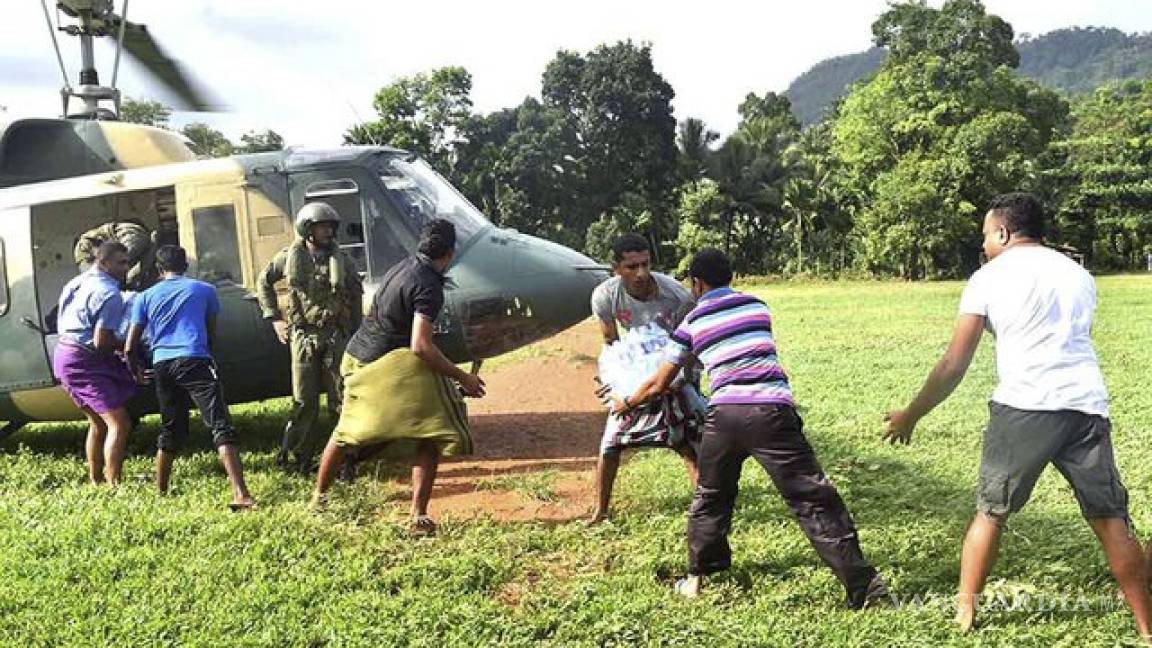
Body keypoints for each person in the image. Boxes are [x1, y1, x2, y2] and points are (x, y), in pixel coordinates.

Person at [884, 193, 1152, 639]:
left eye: (986, 235)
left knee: (990, 512)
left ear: (1004, 233)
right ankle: (1147, 626)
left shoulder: (988, 277)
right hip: (1086, 405)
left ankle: (965, 613)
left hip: (1024, 408)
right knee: (1110, 518)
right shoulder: (1078, 275)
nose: (984, 244)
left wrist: (911, 415)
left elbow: (955, 363)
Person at [618, 248, 886, 607]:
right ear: (731, 277)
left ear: (696, 283)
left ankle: (696, 581)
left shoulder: (691, 323)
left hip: (725, 416)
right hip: (773, 410)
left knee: (711, 497)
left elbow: (660, 384)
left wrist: (627, 402)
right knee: (813, 498)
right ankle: (866, 590)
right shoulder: (758, 306)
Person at [310, 219, 485, 536]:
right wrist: (464, 377)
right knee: (434, 430)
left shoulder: (402, 267)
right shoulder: (429, 285)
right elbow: (420, 346)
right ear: (449, 253)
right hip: (382, 365)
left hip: (356, 357)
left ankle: (317, 501)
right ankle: (417, 515)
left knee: (344, 432)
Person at [125, 245, 254, 510]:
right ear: (186, 266)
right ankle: (240, 494)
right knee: (219, 424)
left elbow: (129, 345)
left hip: (161, 364)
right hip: (195, 359)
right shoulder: (205, 290)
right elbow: (211, 332)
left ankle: (160, 492)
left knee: (171, 427)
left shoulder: (145, 297)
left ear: (159, 270)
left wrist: (136, 370)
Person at [588, 233, 701, 525]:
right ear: (616, 269)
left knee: (687, 441)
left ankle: (704, 508)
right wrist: (611, 381)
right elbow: (611, 342)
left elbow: (687, 346)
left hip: (675, 368)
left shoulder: (678, 296)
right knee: (611, 444)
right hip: (632, 372)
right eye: (631, 267)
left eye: (645, 264)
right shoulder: (604, 296)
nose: (640, 273)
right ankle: (600, 511)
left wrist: (672, 383)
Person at [257, 203, 363, 473]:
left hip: (335, 336)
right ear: (308, 229)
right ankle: (299, 457)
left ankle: (346, 458)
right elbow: (264, 282)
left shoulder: (343, 261)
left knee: (341, 398)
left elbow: (355, 293)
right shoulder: (288, 258)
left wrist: (356, 332)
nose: (328, 231)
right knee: (304, 402)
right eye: (322, 226)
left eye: (330, 226)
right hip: (303, 337)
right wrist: (275, 319)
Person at [52, 241, 135, 485]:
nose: (126, 268)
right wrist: (129, 347)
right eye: (121, 263)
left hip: (64, 353)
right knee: (119, 423)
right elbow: (102, 341)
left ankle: (96, 479)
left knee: (98, 422)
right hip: (83, 359)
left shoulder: (76, 282)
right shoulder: (110, 294)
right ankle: (114, 484)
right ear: (104, 262)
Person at [74, 220, 156, 291]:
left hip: (130, 235)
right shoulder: (87, 245)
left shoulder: (83, 247)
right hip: (135, 234)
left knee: (98, 278)